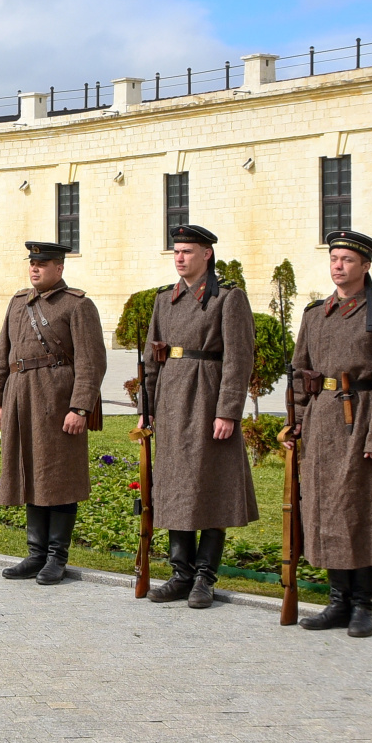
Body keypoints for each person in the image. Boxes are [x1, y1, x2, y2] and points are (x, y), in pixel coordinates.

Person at [288, 229, 372, 638]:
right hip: (321, 423)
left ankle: (363, 604)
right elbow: (301, 373)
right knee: (326, 509)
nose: (338, 266)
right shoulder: (315, 314)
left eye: (346, 260)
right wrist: (296, 420)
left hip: (361, 420)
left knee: (361, 509)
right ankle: (337, 601)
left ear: (365, 265)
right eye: (334, 259)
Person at [143, 225, 259, 608]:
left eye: (187, 251)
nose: (179, 258)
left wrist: (228, 411)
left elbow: (239, 359)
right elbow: (152, 358)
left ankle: (205, 577)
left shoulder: (228, 298)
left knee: (210, 486)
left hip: (208, 400)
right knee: (175, 488)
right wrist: (146, 408)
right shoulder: (165, 299)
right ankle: (181, 574)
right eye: (176, 251)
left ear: (206, 254)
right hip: (171, 404)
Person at [0, 240, 107, 586]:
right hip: (21, 399)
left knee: (59, 478)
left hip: (57, 403)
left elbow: (91, 362)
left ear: (59, 268)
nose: (35, 268)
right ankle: (35, 554)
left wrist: (79, 407)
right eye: (32, 263)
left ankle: (57, 558)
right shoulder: (17, 303)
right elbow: (3, 355)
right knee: (31, 474)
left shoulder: (77, 305)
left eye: (42, 264)